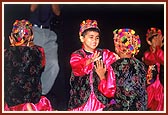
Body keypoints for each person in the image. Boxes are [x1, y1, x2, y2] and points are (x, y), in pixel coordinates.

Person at [68, 19, 120, 111]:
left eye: (97, 37)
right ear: (82, 38)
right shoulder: (77, 55)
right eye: (91, 37)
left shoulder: (104, 54)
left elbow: (116, 60)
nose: (94, 40)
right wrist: (90, 60)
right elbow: (77, 67)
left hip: (99, 101)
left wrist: (118, 54)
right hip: (81, 102)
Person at [4, 19, 53, 111]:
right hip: (34, 100)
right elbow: (42, 66)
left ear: (11, 38)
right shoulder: (39, 51)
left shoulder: (5, 53)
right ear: (31, 37)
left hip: (13, 102)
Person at [104, 28, 147, 111]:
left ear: (118, 46)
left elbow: (109, 91)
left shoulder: (115, 66)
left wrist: (101, 75)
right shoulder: (141, 65)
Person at [29, 4, 60, 96]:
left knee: (54, 64)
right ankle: (27, 94)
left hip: (49, 32)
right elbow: (31, 8)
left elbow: (57, 12)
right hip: (33, 30)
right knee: (30, 65)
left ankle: (40, 94)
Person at [142, 27, 164, 111]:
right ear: (149, 41)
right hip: (150, 87)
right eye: (154, 38)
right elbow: (150, 60)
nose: (156, 40)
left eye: (158, 37)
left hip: (162, 87)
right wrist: (157, 47)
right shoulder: (147, 53)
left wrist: (158, 48)